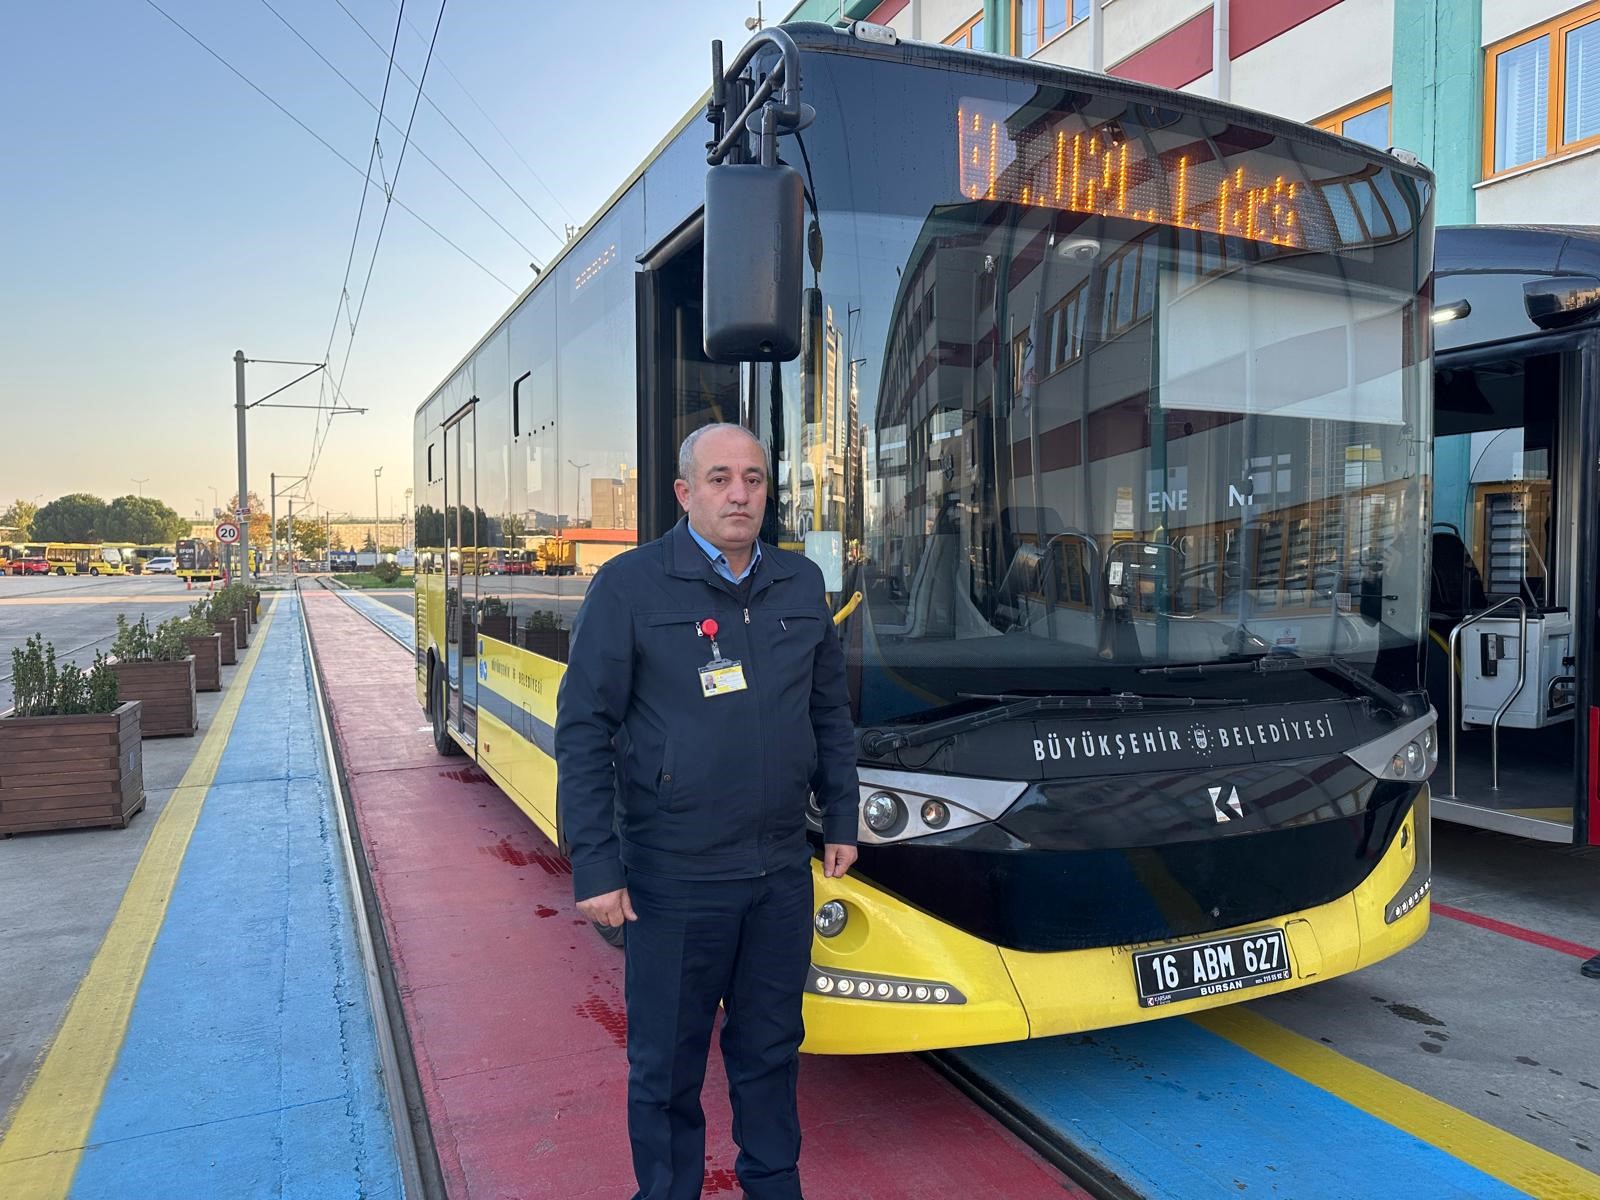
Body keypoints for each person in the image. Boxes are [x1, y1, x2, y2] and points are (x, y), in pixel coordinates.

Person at [555, 423, 860, 1200]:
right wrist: (596, 865)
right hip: (675, 876)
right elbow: (583, 730)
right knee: (666, 1065)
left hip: (779, 874)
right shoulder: (630, 586)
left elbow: (829, 711)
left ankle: (774, 1187)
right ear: (685, 493)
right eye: (720, 479)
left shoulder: (799, 584)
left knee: (771, 1051)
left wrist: (844, 817)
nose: (740, 494)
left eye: (754, 479)